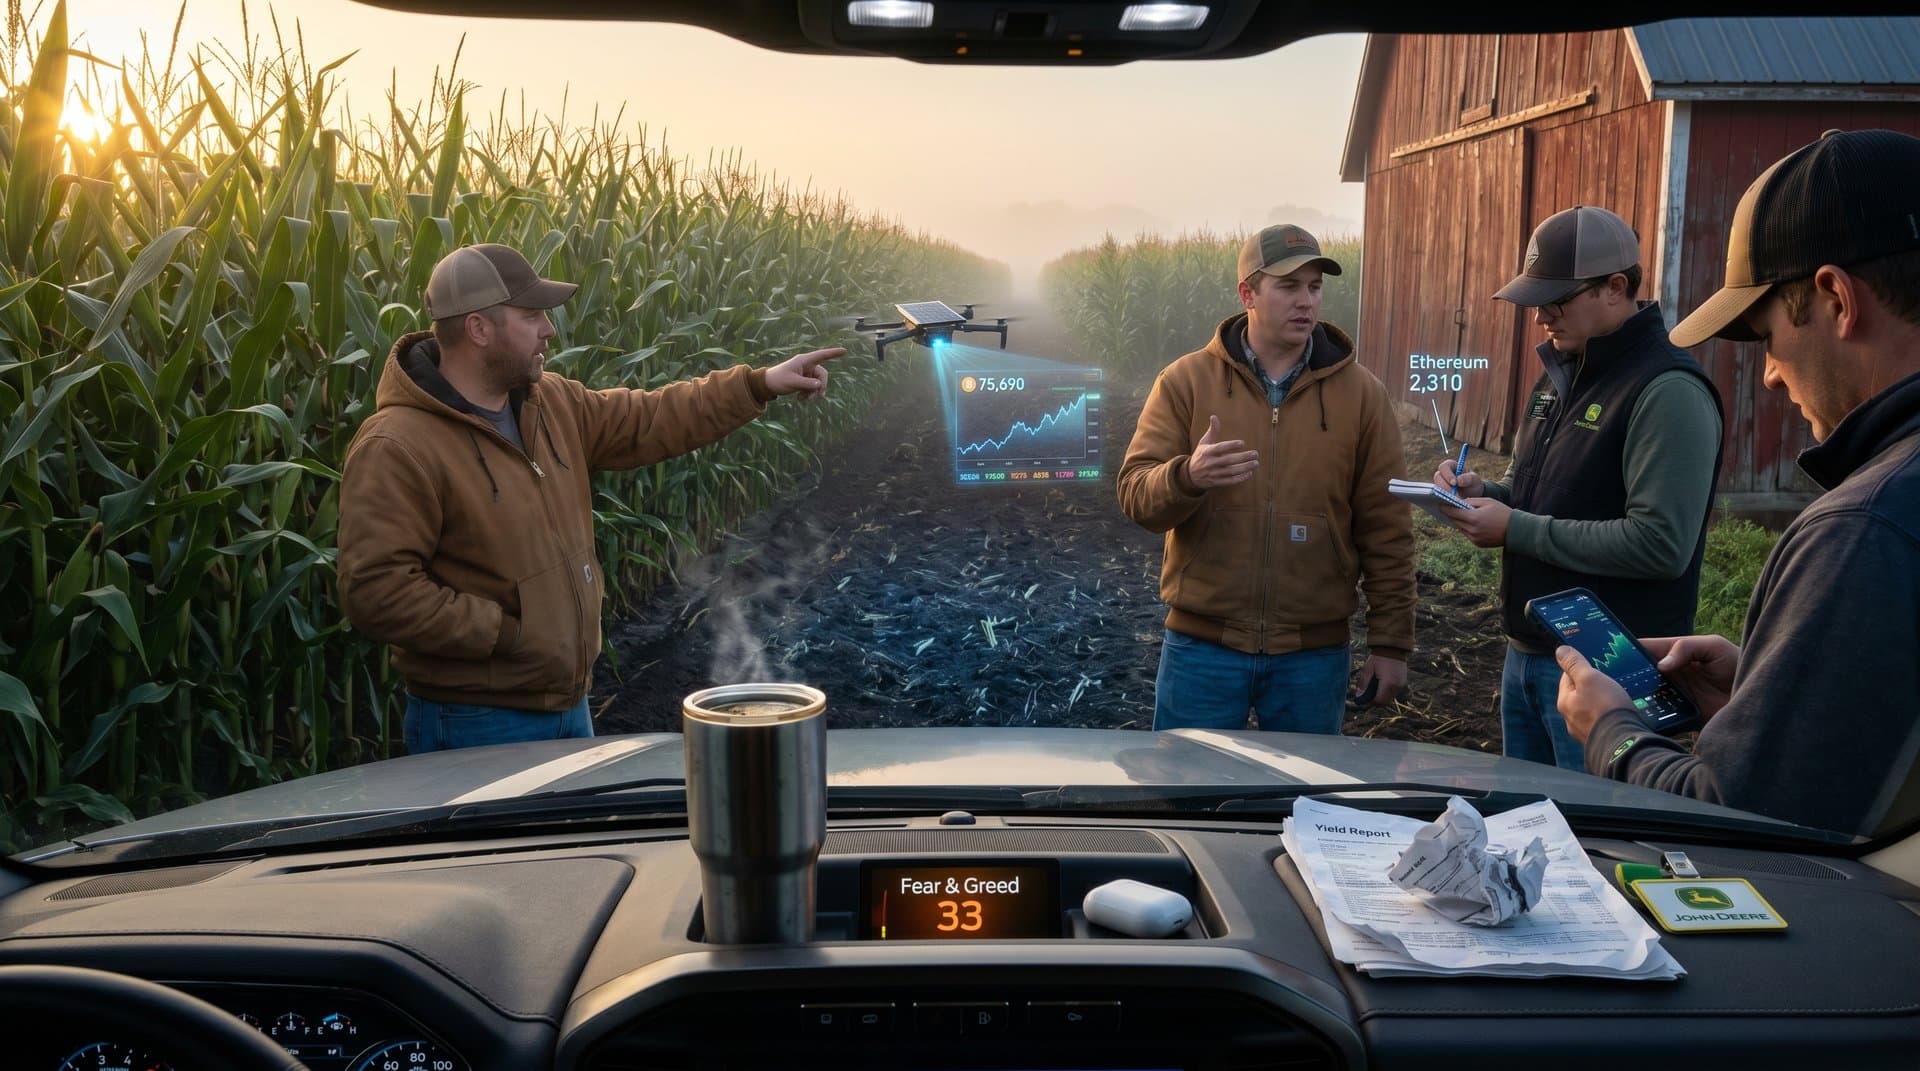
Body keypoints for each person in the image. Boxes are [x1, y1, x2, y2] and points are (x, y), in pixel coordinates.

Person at [1555, 128, 1920, 838]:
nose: (1772, 375)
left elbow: (1740, 820)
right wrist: (1769, 688)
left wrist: (1613, 733)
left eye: (1768, 337)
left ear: (1837, 298)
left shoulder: (1865, 527)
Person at [337, 243, 845, 753]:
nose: (549, 330)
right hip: (476, 721)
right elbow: (378, 592)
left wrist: (759, 385)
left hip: (570, 706)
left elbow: (651, 418)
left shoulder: (551, 403)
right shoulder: (398, 445)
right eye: (532, 316)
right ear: (478, 328)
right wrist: (509, 633)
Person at [1435, 206, 1723, 771]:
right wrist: (1481, 491)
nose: (1541, 316)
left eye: (1556, 300)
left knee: (1593, 824)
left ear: (1615, 288)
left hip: (1611, 673)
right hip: (1528, 655)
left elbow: (1660, 544)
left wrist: (1514, 528)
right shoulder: (1559, 375)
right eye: (1536, 300)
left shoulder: (1667, 390)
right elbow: (1528, 487)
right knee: (1530, 820)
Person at [1118, 224, 1415, 732]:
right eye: (1288, 286)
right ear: (1247, 294)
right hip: (1202, 650)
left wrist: (1390, 643)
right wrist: (1188, 476)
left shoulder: (1362, 396)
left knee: (1302, 786)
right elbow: (1135, 494)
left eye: (1314, 287)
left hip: (1313, 657)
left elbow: (1387, 527)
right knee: (1190, 782)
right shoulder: (1185, 382)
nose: (1306, 301)